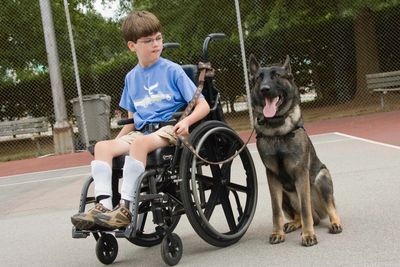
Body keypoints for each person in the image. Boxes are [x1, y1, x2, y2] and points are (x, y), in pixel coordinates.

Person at [71, 10, 210, 230]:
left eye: (158, 38)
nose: (156, 44)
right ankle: (104, 208)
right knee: (102, 146)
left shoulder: (172, 70)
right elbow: (131, 121)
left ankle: (125, 208)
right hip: (142, 132)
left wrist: (186, 122)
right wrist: (114, 145)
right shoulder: (131, 77)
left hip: (168, 129)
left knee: (138, 143)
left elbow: (203, 105)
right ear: (132, 46)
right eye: (148, 41)